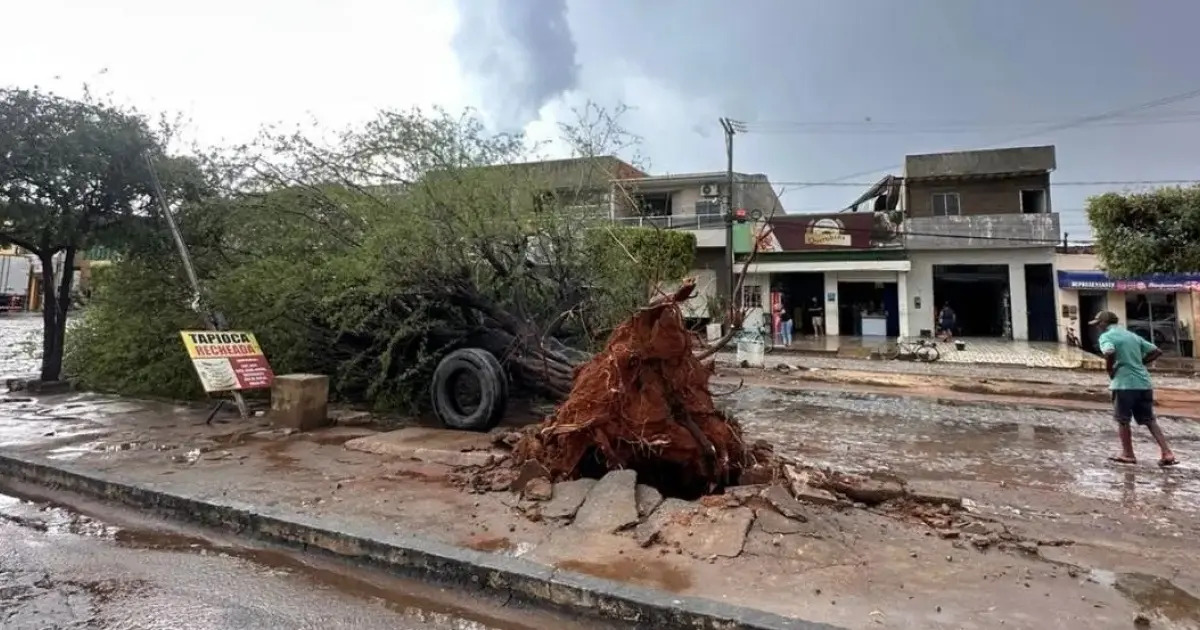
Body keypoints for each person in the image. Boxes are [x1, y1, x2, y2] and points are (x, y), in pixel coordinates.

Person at [1092, 311, 1178, 467]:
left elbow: (1109, 351)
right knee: (1150, 420)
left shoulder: (1106, 337)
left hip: (1124, 384)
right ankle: (1167, 453)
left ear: (1104, 323)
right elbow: (1156, 351)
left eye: (1098, 324)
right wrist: (1139, 363)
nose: (1097, 327)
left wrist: (1110, 369)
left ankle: (1128, 454)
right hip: (1144, 383)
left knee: (1123, 420)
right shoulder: (1132, 336)